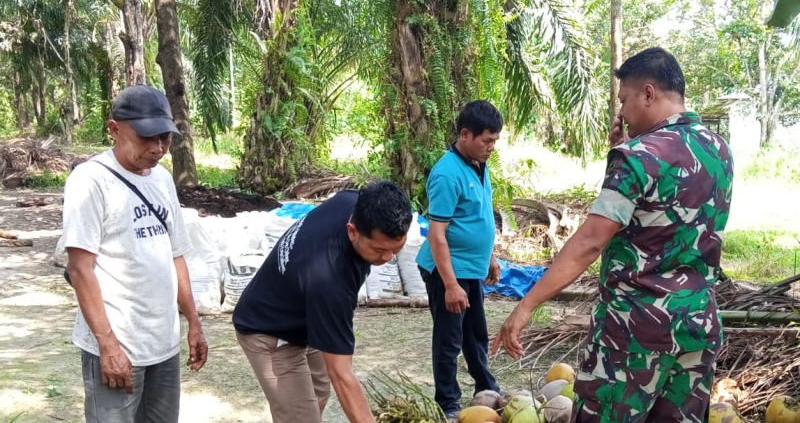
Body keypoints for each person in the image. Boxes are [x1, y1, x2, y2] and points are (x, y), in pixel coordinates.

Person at [491, 47, 734, 423]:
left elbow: (590, 241)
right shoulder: (719, 150)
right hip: (697, 326)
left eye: (624, 100)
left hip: (635, 335)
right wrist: (621, 153)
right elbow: (663, 216)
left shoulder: (637, 156)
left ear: (649, 93)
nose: (621, 113)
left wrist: (525, 306)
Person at [61, 84, 208, 423]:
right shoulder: (90, 182)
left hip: (163, 342)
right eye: (147, 138)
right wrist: (108, 346)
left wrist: (194, 323)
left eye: (165, 138)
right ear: (114, 129)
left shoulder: (162, 180)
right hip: (117, 343)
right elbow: (81, 269)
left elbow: (176, 255)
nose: (158, 148)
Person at [232, 181, 412, 423]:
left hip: (306, 313)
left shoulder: (353, 201)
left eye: (396, 248)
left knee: (318, 393)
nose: (388, 257)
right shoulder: (330, 280)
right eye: (379, 250)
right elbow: (341, 373)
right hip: (268, 330)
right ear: (352, 231)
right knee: (302, 418)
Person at [416, 100, 504, 422]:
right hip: (447, 271)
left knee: (475, 333)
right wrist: (450, 285)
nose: (492, 147)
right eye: (487, 141)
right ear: (465, 134)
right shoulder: (446, 174)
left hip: (471, 267)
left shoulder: (480, 165)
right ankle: (448, 402)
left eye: (495, 141)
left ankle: (486, 387)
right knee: (449, 339)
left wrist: (490, 257)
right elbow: (437, 235)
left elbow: (479, 216)